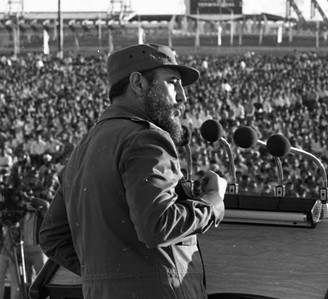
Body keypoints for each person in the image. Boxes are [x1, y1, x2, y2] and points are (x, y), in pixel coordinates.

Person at [38, 44, 227, 298]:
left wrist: (115, 275)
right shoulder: (147, 138)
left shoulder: (82, 148)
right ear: (138, 83)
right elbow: (158, 225)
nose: (182, 96)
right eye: (172, 82)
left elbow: (52, 237)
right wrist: (213, 201)